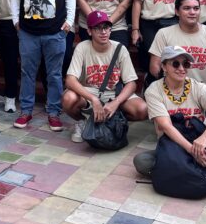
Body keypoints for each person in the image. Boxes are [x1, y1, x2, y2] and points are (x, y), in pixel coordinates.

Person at [135, 45, 206, 211]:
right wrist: (194, 151)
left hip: (201, 140)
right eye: (175, 64)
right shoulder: (154, 90)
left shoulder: (197, 86)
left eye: (186, 64)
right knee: (141, 162)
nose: (181, 68)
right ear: (164, 66)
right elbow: (166, 127)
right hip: (175, 144)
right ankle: (197, 169)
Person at [9, 0, 76, 131]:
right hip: (28, 31)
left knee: (54, 74)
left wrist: (70, 21)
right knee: (27, 72)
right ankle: (26, 111)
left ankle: (54, 112)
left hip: (55, 31)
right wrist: (15, 21)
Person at [63, 11, 148, 143]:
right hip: (90, 91)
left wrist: (117, 102)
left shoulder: (120, 48)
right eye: (98, 28)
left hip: (114, 92)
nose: (103, 32)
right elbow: (70, 80)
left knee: (142, 109)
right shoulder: (82, 47)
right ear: (90, 31)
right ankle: (83, 121)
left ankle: (114, 120)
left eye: (106, 27)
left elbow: (131, 83)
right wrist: (93, 99)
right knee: (68, 98)